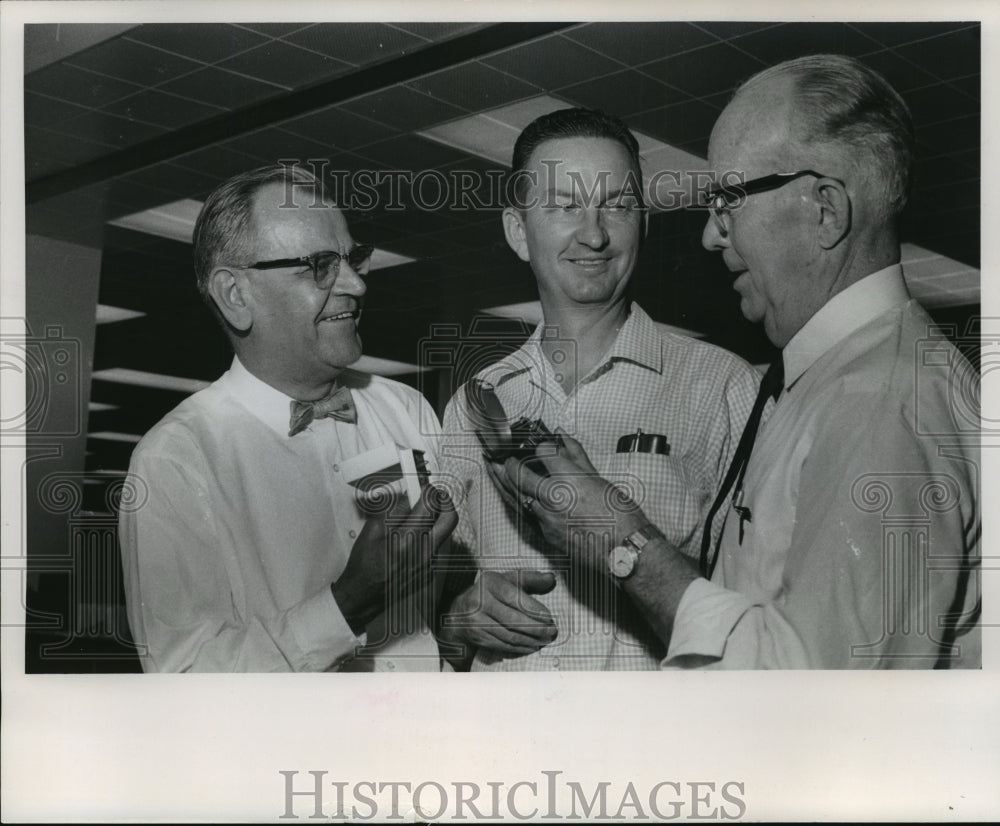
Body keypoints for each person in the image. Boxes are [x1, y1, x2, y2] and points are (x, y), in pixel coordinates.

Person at [494, 55, 980, 668]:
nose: (710, 235)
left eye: (728, 198)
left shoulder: (879, 402)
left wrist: (621, 541)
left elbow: (819, 707)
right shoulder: (833, 381)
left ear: (825, 209)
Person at [436, 108, 762, 671]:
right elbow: (442, 601)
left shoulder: (725, 387)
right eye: (564, 206)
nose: (594, 234)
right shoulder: (477, 401)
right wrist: (457, 618)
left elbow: (763, 612)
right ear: (519, 231)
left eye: (617, 205)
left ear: (644, 223)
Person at [119, 164, 457, 672]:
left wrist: (467, 612)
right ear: (236, 296)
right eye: (320, 265)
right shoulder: (175, 460)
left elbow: (439, 611)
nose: (357, 286)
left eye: (353, 258)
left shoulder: (406, 410)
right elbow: (184, 682)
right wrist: (347, 604)